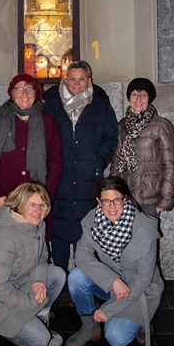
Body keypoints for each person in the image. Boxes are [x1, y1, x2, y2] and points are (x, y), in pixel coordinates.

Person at [64, 176, 164, 346]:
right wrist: (112, 280)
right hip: (111, 285)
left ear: (125, 199)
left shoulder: (145, 227)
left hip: (139, 291)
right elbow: (81, 255)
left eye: (116, 200)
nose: (111, 207)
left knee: (116, 338)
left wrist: (109, 309)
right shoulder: (93, 220)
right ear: (98, 201)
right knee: (76, 277)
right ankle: (90, 327)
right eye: (106, 201)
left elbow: (143, 279)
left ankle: (143, 321)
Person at [0, 181, 66, 346]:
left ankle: (34, 318)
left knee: (57, 274)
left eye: (43, 205)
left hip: (20, 281)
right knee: (41, 341)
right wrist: (29, 303)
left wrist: (37, 279)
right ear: (20, 205)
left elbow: (43, 256)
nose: (38, 211)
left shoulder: (38, 225)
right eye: (32, 205)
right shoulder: (4, 238)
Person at [43, 60, 119, 271]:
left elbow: (111, 137)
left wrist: (98, 163)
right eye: (72, 79)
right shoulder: (50, 102)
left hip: (88, 177)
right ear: (65, 80)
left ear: (89, 80)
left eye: (81, 79)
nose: (76, 84)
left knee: (84, 229)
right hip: (59, 175)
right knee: (58, 228)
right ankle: (59, 276)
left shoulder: (100, 104)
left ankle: (81, 278)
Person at [0, 73, 63, 243]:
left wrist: (45, 197)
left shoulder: (48, 123)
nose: (24, 93)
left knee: (34, 248)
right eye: (19, 88)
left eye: (29, 88)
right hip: (5, 198)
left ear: (37, 92)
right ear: (12, 93)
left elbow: (56, 162)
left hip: (36, 201)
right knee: (4, 247)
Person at [110, 77, 174, 218]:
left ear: (149, 98)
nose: (138, 99)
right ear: (129, 97)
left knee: (148, 238)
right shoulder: (123, 125)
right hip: (125, 195)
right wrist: (112, 191)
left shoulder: (161, 125)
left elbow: (169, 165)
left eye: (143, 95)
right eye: (134, 94)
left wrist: (165, 200)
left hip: (149, 197)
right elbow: (117, 161)